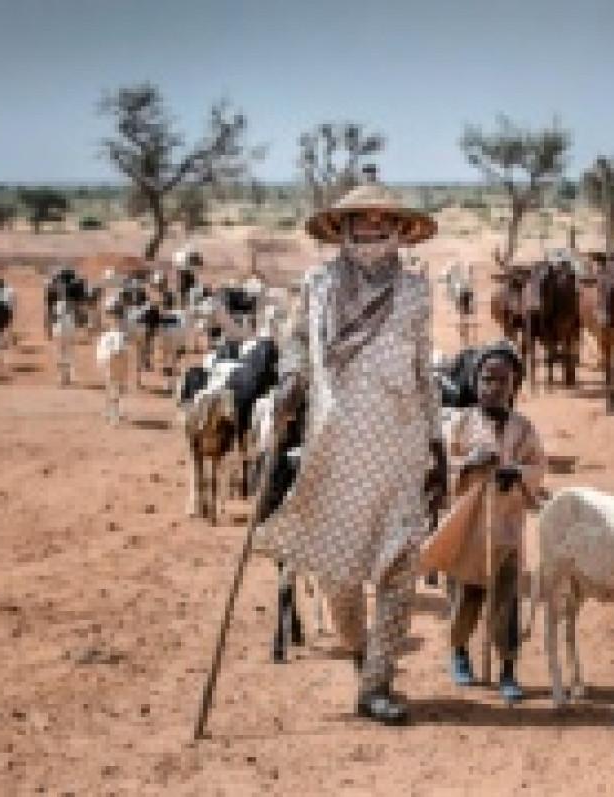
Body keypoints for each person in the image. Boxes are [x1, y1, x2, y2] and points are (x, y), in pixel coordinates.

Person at [253, 165, 447, 726]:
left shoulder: (414, 291)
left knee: (398, 569)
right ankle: (363, 654)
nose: (373, 226)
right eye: (362, 218)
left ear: (400, 230)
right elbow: (293, 343)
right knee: (336, 576)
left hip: (400, 448)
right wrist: (290, 378)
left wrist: (436, 445)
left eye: (384, 219)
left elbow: (423, 370)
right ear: (342, 226)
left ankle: (378, 684)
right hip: (333, 450)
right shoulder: (316, 286)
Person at [420, 342, 548, 703]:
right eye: (486, 379)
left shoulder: (524, 430)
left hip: (505, 529)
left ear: (513, 386)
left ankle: (507, 669)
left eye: (501, 381)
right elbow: (442, 468)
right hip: (466, 530)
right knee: (464, 598)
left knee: (506, 601)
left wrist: (516, 472)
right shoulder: (460, 423)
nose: (493, 387)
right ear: (475, 383)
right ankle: (459, 652)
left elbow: (538, 468)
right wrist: (470, 464)